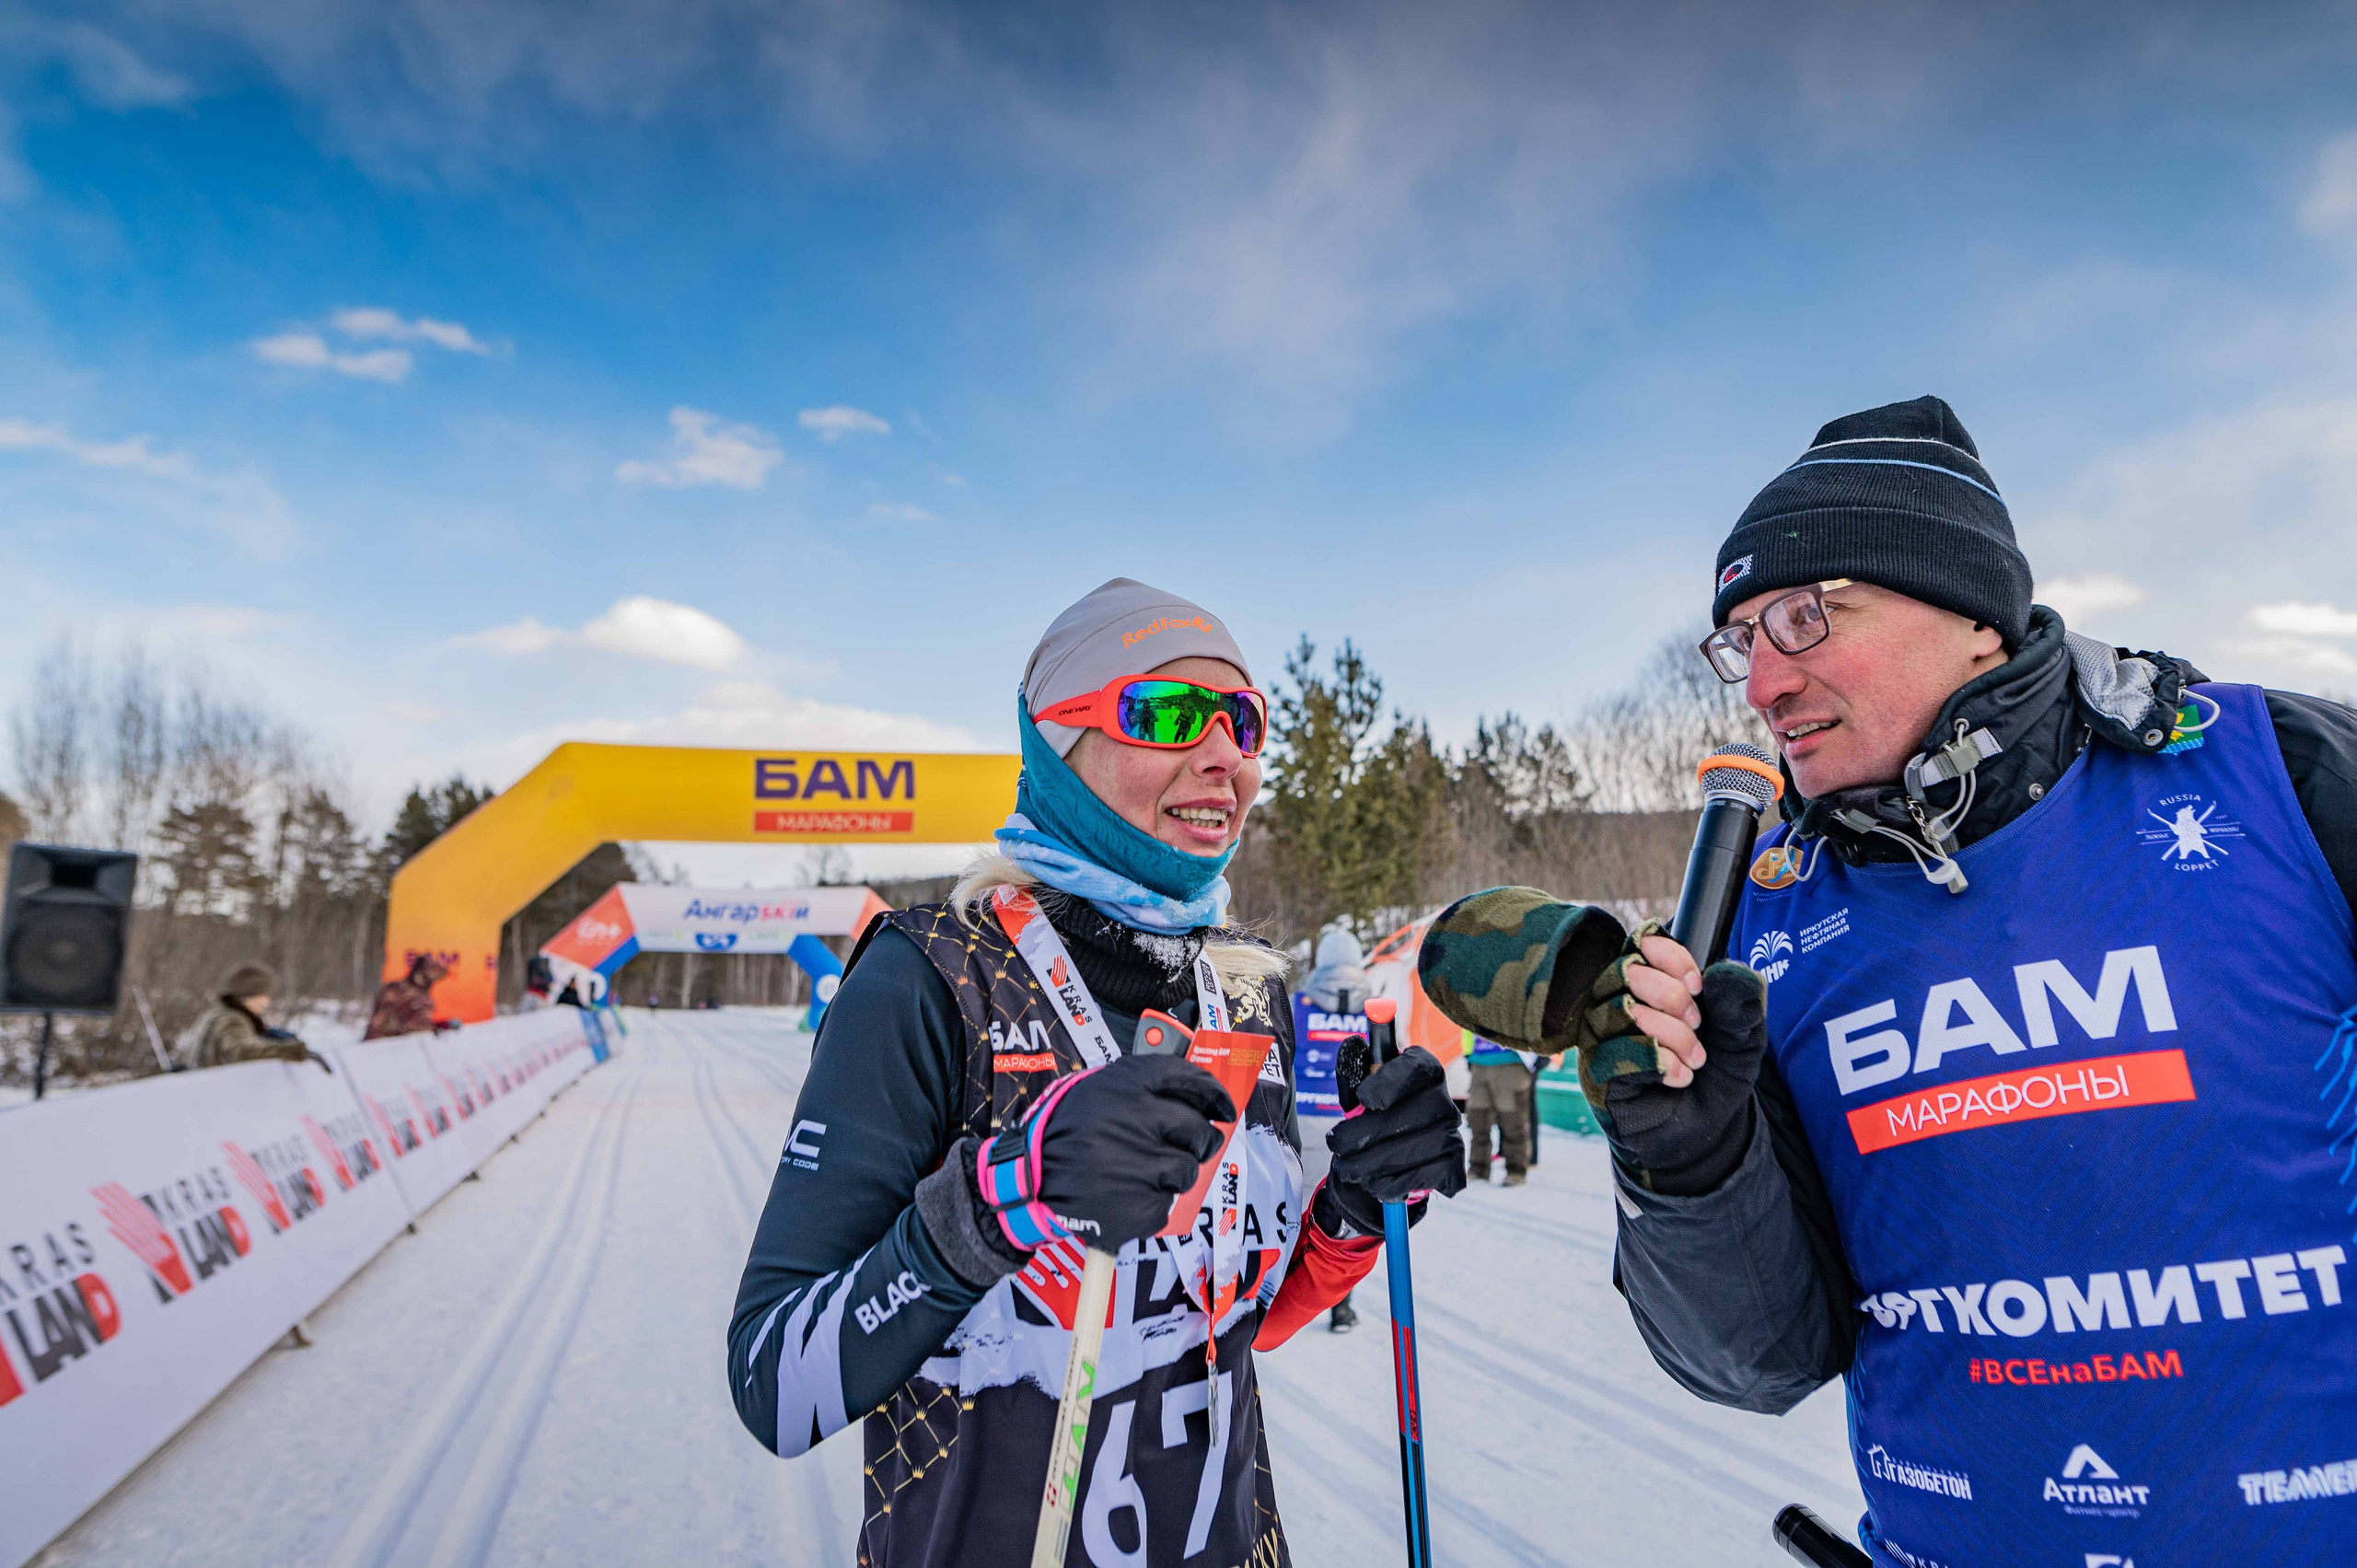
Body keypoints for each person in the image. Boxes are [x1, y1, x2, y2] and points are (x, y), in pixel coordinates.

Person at [1419, 396, 2357, 1566]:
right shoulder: (1763, 914)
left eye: (1806, 618)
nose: (1760, 683)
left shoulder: (2284, 779)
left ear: (1969, 610)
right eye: (1741, 641)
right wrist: (1690, 1162)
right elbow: (1752, 1360)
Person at [726, 578, 1467, 1568]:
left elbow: (1238, 1318)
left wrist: (1352, 1206)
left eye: (1243, 722)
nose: (1222, 757)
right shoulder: (931, 976)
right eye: (1165, 713)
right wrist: (1003, 1200)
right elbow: (777, 1381)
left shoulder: (1246, 985)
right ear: (1058, 748)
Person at [1293, 923, 1371, 1330]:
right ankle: (1341, 1304)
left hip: (1302, 1120)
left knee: (1297, 1205)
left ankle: (1286, 1292)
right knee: (1346, 1210)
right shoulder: (1376, 1009)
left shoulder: (1298, 1003)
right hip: (1352, 1123)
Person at [181, 963, 328, 1071]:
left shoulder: (217, 1013)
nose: (267, 1002)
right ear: (250, 995)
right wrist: (295, 1052)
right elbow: (242, 1051)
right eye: (265, 995)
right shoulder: (232, 1019)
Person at [1463, 1033, 1533, 1185]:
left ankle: (1516, 1170)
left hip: (1511, 1062)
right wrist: (1467, 1053)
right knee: (1477, 1119)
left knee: (1513, 1122)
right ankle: (1478, 1167)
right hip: (1479, 1061)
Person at [363, 952, 448, 1040]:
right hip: (390, 1047)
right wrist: (437, 1029)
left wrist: (439, 1025)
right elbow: (417, 1027)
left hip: (371, 1044)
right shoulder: (421, 1000)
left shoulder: (392, 987)